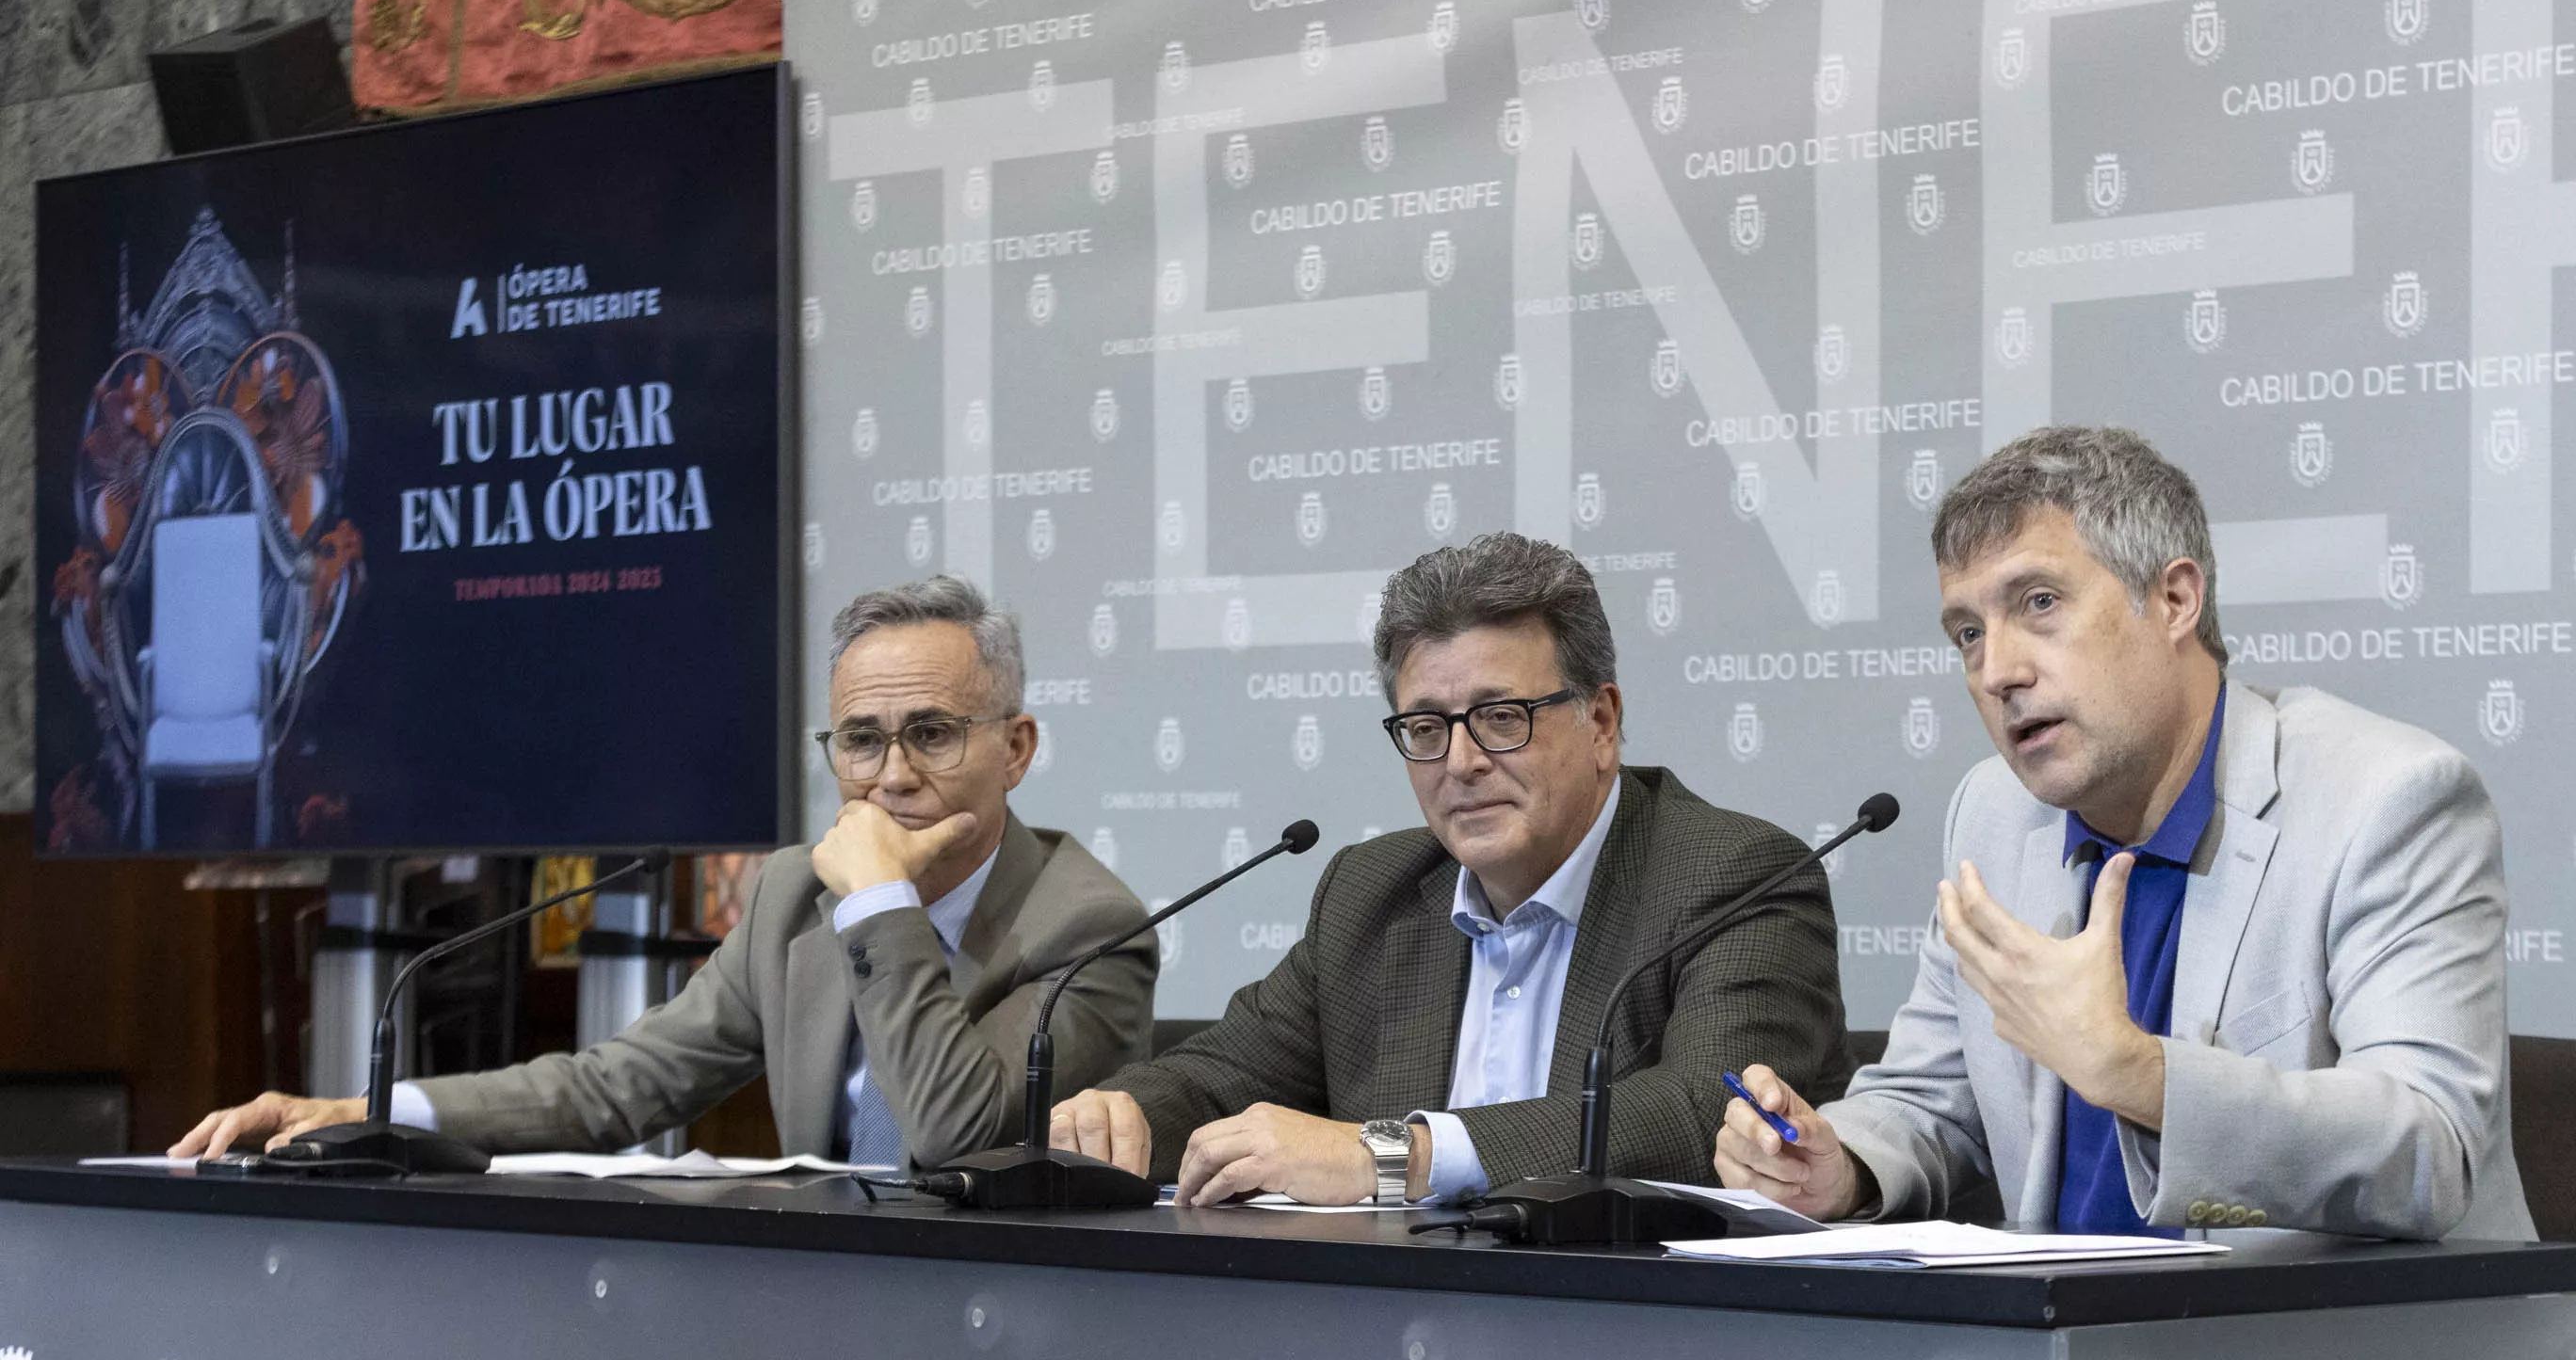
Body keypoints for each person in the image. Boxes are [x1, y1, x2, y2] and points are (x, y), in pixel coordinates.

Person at [1715, 425, 2536, 1242]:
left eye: (2039, 604)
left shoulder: (2385, 800)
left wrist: (2139, 1076)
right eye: (1968, 633)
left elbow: (2431, 1150)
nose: (1998, 670)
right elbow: (1936, 1100)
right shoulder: (1996, 815)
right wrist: (1843, 1162)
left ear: (2175, 600)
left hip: (2347, 1355)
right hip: (2080, 1353)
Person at [173, 575, 1154, 1168]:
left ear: (1016, 748)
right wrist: (365, 1112)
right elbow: (617, 1086)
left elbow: (957, 1134)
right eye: (861, 740)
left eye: (932, 734)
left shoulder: (1088, 923)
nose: (892, 776)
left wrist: (883, 901)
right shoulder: (789, 897)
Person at [1048, 531, 1850, 1206]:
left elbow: (1708, 1114)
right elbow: (1226, 1075)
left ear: (1601, 722)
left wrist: (1392, 1157)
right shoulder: (1373, 892)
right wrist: (1125, 1116)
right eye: (1426, 727)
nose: (1460, 762)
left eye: (1501, 718)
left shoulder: (1735, 877)